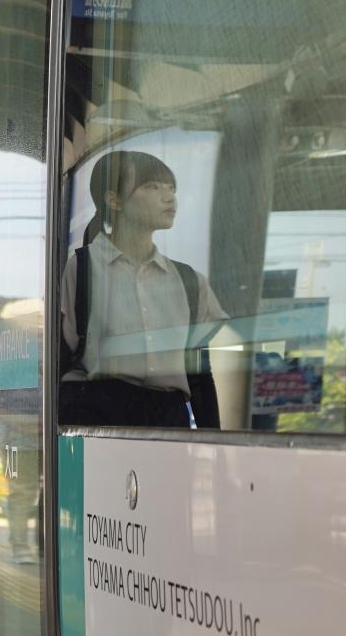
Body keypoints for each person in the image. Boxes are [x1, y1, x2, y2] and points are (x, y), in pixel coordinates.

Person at [59, 149, 229, 428]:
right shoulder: (82, 268)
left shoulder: (189, 281)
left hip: (169, 418)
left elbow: (198, 374)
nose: (169, 197)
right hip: (97, 414)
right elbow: (63, 357)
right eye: (152, 187)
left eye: (171, 188)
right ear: (113, 199)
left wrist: (216, 447)